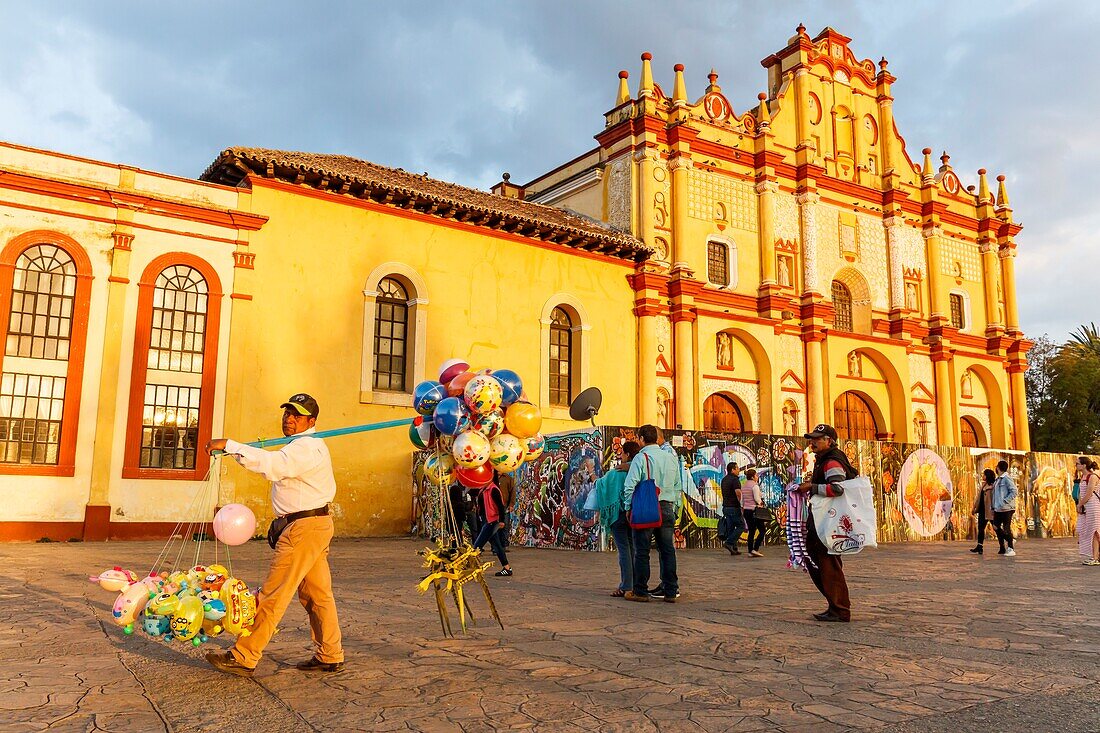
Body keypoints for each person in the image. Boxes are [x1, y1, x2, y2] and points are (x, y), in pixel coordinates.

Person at [204, 393, 344, 677]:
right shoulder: (300, 447)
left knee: (273, 595)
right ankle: (330, 653)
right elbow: (274, 463)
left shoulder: (304, 448)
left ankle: (245, 654)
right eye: (287, 413)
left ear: (312, 421)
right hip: (309, 525)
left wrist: (230, 446)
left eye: (297, 415)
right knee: (317, 595)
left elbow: (273, 465)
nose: (289, 419)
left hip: (305, 529)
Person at [796, 424, 857, 622]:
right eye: (812, 438)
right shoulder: (824, 460)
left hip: (828, 522)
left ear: (828, 441)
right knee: (819, 560)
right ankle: (835, 605)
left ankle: (840, 608)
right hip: (824, 519)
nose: (812, 442)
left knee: (827, 563)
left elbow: (838, 488)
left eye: (817, 438)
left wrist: (811, 487)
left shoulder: (831, 462)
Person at [622, 424, 683, 603]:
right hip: (667, 506)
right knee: (667, 550)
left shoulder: (641, 458)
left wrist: (628, 507)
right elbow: (678, 485)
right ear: (656, 438)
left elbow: (629, 485)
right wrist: (675, 507)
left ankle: (640, 590)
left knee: (642, 551)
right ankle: (671, 590)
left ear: (641, 439)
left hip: (646, 507)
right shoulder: (670, 458)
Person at [595, 441, 641, 596]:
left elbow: (600, 485)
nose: (620, 456)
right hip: (636, 513)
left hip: (619, 514)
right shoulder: (639, 469)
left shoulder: (616, 473)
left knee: (624, 550)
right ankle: (635, 584)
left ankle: (626, 585)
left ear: (627, 454)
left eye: (622, 453)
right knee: (634, 548)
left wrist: (590, 471)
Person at [473, 474, 513, 576]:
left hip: (492, 521)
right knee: (497, 546)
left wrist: (502, 521)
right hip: (486, 521)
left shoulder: (493, 490)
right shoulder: (483, 489)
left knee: (477, 545)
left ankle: (468, 566)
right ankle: (507, 568)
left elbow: (500, 506)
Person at [1075, 457, 1100, 565]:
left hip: (1093, 505)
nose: (1076, 466)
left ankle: (1095, 557)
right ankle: (1093, 555)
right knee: (1087, 530)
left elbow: (1089, 493)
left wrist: (1080, 504)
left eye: (1077, 464)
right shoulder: (1083, 477)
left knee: (1094, 531)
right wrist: (1080, 505)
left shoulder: (1092, 476)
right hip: (1086, 506)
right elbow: (1081, 492)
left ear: (1084, 465)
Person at [991, 460, 1018, 557]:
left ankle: (1011, 549)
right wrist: (993, 507)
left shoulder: (1006, 478)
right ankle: (1009, 539)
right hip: (998, 508)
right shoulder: (998, 480)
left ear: (998, 467)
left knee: (1006, 528)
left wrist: (1005, 501)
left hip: (1006, 508)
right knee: (995, 526)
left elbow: (1014, 491)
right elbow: (995, 495)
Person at [739, 468, 765, 557]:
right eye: (756, 475)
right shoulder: (755, 486)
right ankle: (755, 548)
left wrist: (743, 509)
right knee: (762, 530)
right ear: (753, 476)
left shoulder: (744, 486)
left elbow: (742, 501)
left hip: (746, 511)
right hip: (755, 511)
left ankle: (750, 550)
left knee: (751, 530)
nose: (757, 477)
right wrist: (761, 503)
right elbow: (757, 499)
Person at [719, 462, 744, 555]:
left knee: (731, 528)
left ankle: (734, 548)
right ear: (732, 470)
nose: (739, 470)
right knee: (741, 526)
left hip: (726, 507)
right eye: (737, 468)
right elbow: (738, 493)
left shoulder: (724, 479)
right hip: (734, 507)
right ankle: (729, 543)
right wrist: (741, 505)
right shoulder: (735, 480)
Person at [970, 469, 996, 554]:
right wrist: (974, 508)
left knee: (996, 528)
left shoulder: (994, 486)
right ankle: (979, 546)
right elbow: (978, 498)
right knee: (981, 528)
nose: (982, 476)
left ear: (987, 476)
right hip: (982, 510)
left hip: (990, 510)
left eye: (984, 475)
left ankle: (1003, 545)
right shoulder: (983, 485)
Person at [448, 481, 480, 546]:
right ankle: (458, 546)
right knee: (457, 531)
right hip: (460, 509)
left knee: (474, 529)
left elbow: (476, 494)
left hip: (470, 509)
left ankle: (477, 545)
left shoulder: (470, 484)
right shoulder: (454, 485)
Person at [497, 471, 516, 547]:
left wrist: (511, 504)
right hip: (494, 507)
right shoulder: (491, 478)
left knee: (505, 525)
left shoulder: (508, 479)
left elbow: (512, 492)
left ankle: (504, 544)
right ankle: (495, 547)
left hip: (505, 506)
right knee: (495, 527)